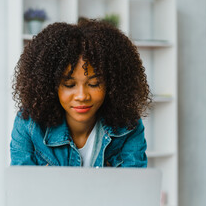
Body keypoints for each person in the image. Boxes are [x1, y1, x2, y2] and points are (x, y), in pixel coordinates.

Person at [10, 19, 151, 167]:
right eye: (69, 85)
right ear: (50, 85)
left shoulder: (128, 125)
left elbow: (135, 188)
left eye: (94, 84)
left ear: (112, 84)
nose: (82, 96)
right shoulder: (28, 125)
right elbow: (21, 188)